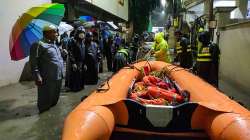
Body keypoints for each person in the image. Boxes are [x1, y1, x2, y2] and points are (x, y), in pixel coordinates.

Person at [29, 25, 64, 113]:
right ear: (47, 33)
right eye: (54, 32)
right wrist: (37, 76)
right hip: (47, 78)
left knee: (54, 99)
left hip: (58, 76)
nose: (57, 34)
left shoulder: (54, 44)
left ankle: (52, 114)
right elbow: (33, 62)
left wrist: (63, 53)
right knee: (45, 99)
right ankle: (43, 113)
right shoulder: (38, 44)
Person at [67, 26, 86, 91]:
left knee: (81, 75)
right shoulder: (74, 41)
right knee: (75, 75)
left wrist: (85, 63)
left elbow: (84, 53)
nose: (82, 34)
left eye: (83, 33)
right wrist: (73, 63)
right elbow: (71, 53)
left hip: (82, 62)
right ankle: (74, 88)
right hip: (76, 62)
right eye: (80, 33)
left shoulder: (83, 42)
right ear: (77, 33)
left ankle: (80, 87)